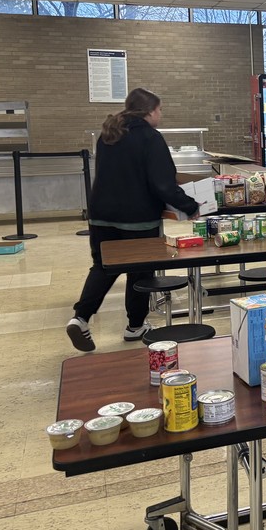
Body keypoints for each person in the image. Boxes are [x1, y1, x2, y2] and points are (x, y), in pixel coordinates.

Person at [66, 88, 199, 352]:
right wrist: (190, 205)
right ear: (149, 111)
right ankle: (135, 326)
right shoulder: (150, 137)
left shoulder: (108, 134)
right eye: (159, 110)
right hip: (137, 218)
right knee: (140, 271)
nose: (160, 115)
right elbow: (162, 183)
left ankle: (80, 318)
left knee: (103, 267)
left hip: (101, 216)